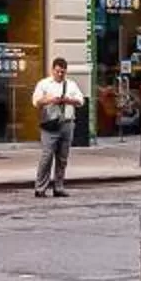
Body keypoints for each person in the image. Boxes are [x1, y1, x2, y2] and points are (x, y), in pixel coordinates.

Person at [32, 56, 86, 197]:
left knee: (62, 158)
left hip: (67, 124)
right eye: (57, 71)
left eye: (63, 72)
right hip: (49, 125)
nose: (60, 74)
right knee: (47, 156)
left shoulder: (71, 85)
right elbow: (36, 102)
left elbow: (81, 101)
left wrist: (68, 100)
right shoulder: (44, 84)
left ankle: (58, 186)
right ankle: (40, 187)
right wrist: (49, 100)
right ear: (52, 70)